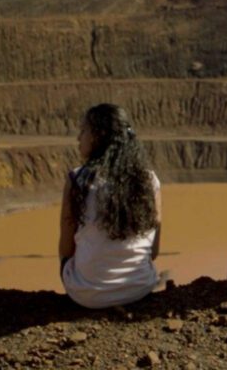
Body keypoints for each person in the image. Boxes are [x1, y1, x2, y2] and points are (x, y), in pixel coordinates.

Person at [58, 104, 162, 308]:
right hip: (140, 288)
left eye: (83, 130)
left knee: (66, 259)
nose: (78, 138)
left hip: (87, 296)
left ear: (98, 136)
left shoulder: (78, 180)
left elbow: (66, 248)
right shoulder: (150, 181)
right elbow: (154, 252)